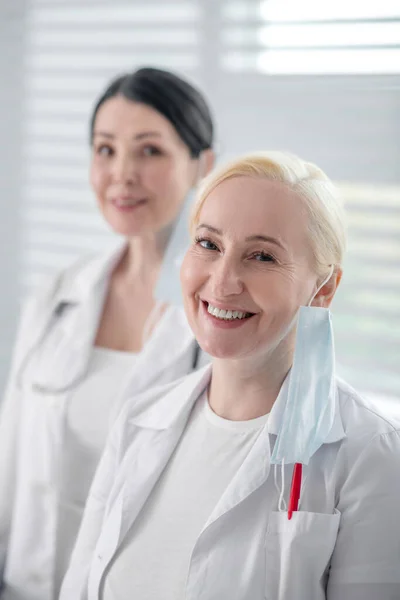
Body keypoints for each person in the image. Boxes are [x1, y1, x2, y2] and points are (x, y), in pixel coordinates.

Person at [61, 151, 400, 600]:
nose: (223, 283)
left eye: (262, 256)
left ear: (325, 289)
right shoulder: (139, 420)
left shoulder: (370, 457)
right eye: (208, 244)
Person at [0, 67, 215, 599]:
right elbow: (11, 462)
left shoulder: (220, 317)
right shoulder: (55, 298)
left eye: (149, 151)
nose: (122, 174)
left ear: (201, 166)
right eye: (105, 150)